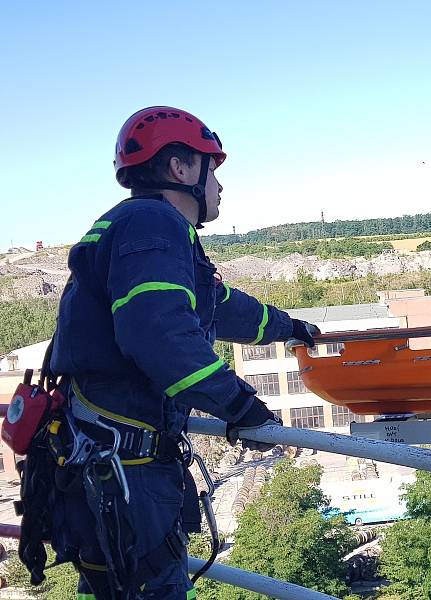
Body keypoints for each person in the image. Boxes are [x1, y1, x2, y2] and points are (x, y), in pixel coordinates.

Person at [45, 106, 319, 599]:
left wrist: (289, 327)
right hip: (127, 471)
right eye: (213, 168)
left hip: (111, 461)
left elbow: (218, 305)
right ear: (181, 169)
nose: (220, 186)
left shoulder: (143, 230)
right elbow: (158, 335)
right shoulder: (154, 224)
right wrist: (239, 405)